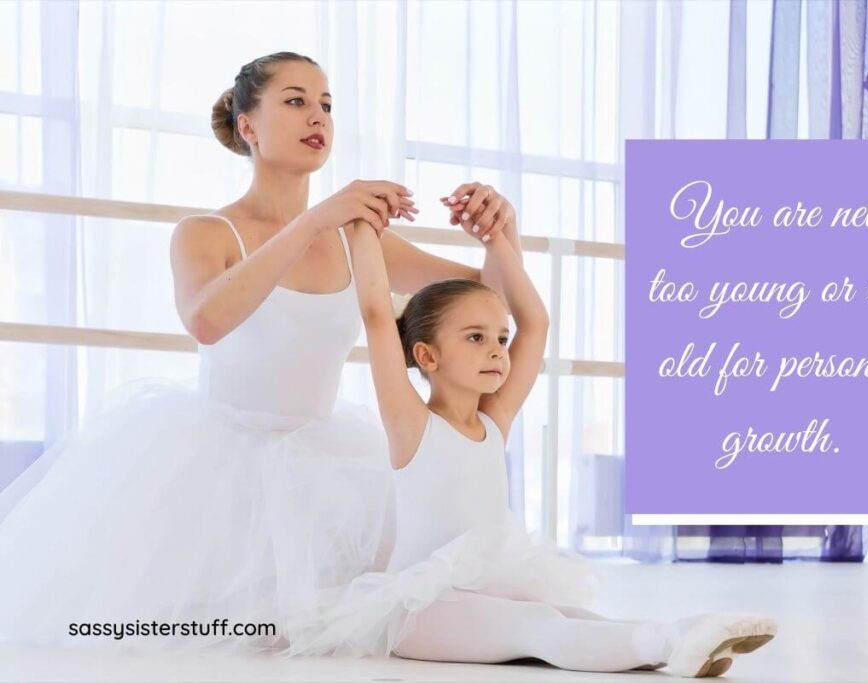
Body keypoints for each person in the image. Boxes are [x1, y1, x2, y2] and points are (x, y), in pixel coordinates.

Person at [0, 51, 518, 653]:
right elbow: (207, 320)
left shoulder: (360, 239)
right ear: (248, 126)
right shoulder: (206, 233)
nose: (316, 115)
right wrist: (315, 219)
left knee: (383, 617)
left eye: (326, 104)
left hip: (327, 468)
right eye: (295, 100)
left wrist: (500, 231)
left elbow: (495, 303)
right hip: (215, 466)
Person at [292, 216, 778, 677]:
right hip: (423, 609)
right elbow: (377, 315)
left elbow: (537, 322)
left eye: (501, 340)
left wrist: (497, 237)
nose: (497, 351)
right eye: (476, 337)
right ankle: (672, 643)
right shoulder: (412, 423)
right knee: (536, 627)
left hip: (485, 587)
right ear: (426, 355)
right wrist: (362, 227)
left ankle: (680, 637)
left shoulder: (493, 420)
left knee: (566, 612)